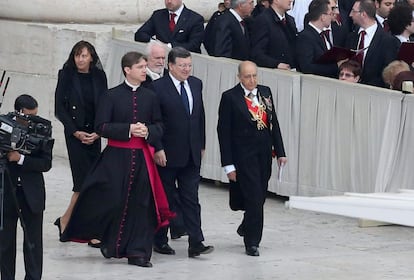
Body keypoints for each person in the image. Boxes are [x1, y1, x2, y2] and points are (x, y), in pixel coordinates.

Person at [60, 52, 174, 268]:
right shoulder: (110, 96)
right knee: (113, 201)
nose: (144, 70)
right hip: (115, 158)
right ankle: (110, 244)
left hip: (142, 159)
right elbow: (101, 126)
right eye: (140, 67)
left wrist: (148, 131)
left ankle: (138, 252)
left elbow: (160, 125)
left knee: (141, 205)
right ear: (127, 70)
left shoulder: (150, 97)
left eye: (144, 66)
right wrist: (128, 129)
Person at [217, 61, 287, 256]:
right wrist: (228, 165)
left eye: (254, 75)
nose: (252, 80)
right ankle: (252, 241)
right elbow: (223, 133)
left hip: (264, 155)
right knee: (254, 197)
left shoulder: (265, 92)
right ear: (239, 77)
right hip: (243, 157)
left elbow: (274, 123)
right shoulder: (230, 98)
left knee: (260, 196)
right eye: (247, 76)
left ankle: (247, 225)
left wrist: (280, 151)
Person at [151, 47, 214, 258]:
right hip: (167, 154)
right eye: (182, 66)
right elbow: (154, 121)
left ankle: (196, 241)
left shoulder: (196, 84)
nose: (186, 69)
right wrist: (157, 148)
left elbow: (200, 115)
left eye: (189, 65)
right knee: (165, 199)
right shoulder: (157, 88)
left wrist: (202, 144)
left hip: (191, 153)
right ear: (171, 66)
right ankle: (159, 239)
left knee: (191, 198)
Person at [54, 40, 107, 247]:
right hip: (75, 136)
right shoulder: (66, 74)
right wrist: (75, 131)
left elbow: (104, 104)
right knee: (84, 182)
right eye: (77, 55)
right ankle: (88, 229)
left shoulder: (99, 76)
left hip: (94, 135)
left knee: (90, 183)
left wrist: (97, 131)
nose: (80, 59)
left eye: (84, 55)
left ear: (92, 57)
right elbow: (60, 108)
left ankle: (66, 220)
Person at [0, 94, 53, 280]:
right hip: (6, 190)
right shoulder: (3, 126)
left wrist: (20, 158)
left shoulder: (42, 128)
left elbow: (46, 164)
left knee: (33, 242)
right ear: (19, 112)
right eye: (30, 115)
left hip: (32, 193)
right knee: (5, 242)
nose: (33, 119)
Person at [141, 41, 187, 240]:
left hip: (174, 144)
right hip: (151, 143)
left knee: (172, 190)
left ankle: (176, 225)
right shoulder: (143, 81)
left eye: (162, 58)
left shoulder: (172, 79)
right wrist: (157, 146)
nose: (160, 62)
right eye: (156, 58)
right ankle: (160, 233)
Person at [346, 0, 399, 87]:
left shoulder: (388, 41)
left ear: (363, 14)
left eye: (353, 11)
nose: (350, 15)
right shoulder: (351, 37)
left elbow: (387, 73)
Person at [134, 0, 204, 53]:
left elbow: (194, 45)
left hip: (185, 62)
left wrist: (169, 46)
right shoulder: (158, 15)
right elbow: (140, 34)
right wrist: (155, 43)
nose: (169, 1)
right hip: (161, 60)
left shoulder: (195, 19)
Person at [296, 0, 342, 78]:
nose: (332, 17)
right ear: (323, 17)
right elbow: (307, 67)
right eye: (330, 14)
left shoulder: (323, 35)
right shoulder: (305, 37)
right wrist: (335, 67)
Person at [250, 0, 298, 70]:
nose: (291, 0)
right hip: (273, 72)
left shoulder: (290, 20)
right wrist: (276, 64)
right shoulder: (263, 20)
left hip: (291, 70)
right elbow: (257, 53)